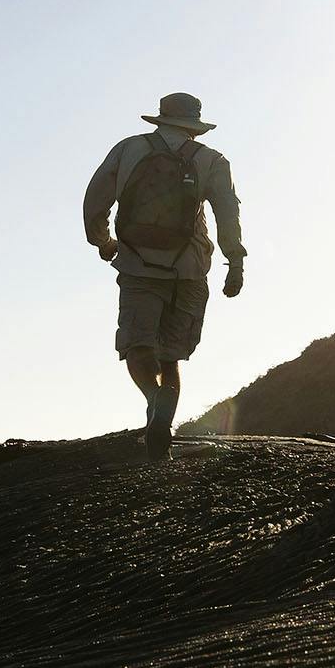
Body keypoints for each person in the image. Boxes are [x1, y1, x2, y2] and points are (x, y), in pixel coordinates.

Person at [84, 92, 246, 461]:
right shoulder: (212, 161)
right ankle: (164, 418)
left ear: (161, 119)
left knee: (139, 345)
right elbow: (228, 215)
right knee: (171, 356)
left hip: (137, 264)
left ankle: (154, 402)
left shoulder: (128, 150)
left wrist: (103, 241)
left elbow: (96, 199)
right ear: (195, 127)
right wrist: (234, 261)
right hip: (188, 269)